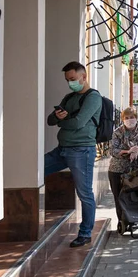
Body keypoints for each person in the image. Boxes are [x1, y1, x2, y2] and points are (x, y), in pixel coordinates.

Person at [45, 61, 102, 248]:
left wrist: (63, 121)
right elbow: (50, 120)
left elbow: (78, 123)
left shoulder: (93, 97)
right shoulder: (69, 97)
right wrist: (58, 117)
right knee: (36, 169)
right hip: (62, 149)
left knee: (84, 193)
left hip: (82, 150)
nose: (70, 83)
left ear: (83, 77)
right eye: (67, 80)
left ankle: (85, 234)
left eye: (72, 79)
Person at [108, 107, 138, 222]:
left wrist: (137, 148)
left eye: (132, 117)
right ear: (123, 119)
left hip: (137, 170)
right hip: (117, 169)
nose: (129, 120)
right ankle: (122, 220)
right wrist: (127, 152)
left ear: (136, 118)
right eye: (126, 118)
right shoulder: (118, 132)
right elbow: (113, 150)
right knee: (119, 197)